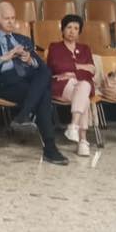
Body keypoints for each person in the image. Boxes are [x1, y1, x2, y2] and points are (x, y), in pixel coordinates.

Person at [0, 2, 69, 165]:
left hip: (25, 82)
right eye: (7, 18)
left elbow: (42, 68)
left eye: (13, 18)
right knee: (43, 93)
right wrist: (4, 58)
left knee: (44, 73)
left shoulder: (23, 40)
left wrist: (30, 60)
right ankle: (49, 147)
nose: (11, 22)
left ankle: (23, 116)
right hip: (1, 82)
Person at [47, 14, 97, 157]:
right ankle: (82, 141)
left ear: (79, 31)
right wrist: (81, 68)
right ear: (63, 30)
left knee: (84, 87)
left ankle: (74, 125)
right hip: (62, 85)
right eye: (69, 27)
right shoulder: (55, 47)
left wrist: (72, 72)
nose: (72, 31)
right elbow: (57, 67)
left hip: (81, 85)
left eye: (76, 28)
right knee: (84, 95)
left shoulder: (85, 48)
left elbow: (92, 70)